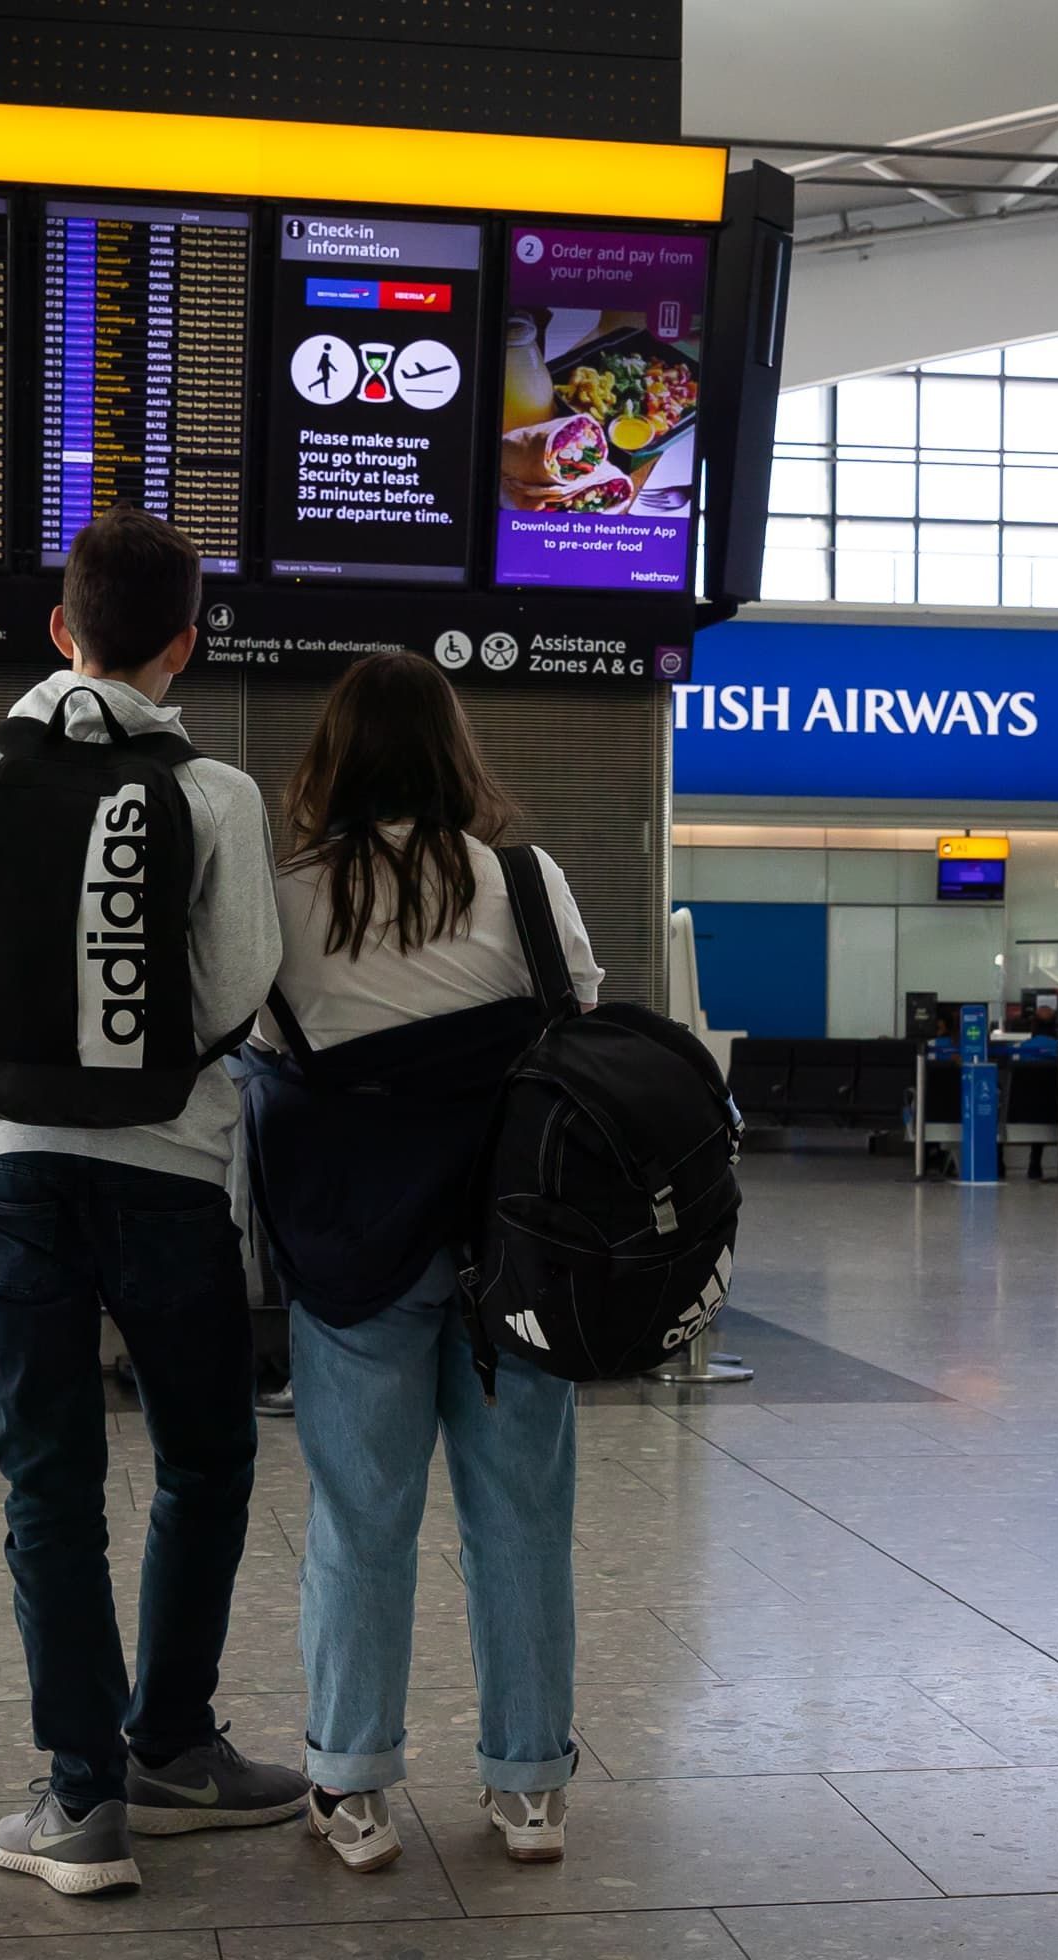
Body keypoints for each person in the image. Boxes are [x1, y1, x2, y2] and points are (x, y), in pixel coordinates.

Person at [0, 508, 300, 1897]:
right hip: (169, 1171)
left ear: (60, 629)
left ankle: (82, 1804)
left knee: (50, 1483)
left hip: (6, 1165)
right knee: (205, 1458)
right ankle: (173, 1747)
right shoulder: (217, 794)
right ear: (186, 644)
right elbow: (239, 991)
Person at [235, 651, 602, 1875]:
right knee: (523, 1518)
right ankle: (531, 1787)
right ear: (456, 754)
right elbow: (577, 1024)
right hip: (513, 1255)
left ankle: (351, 1785)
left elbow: (249, 1042)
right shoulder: (526, 882)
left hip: (355, 1253)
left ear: (330, 761)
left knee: (361, 1519)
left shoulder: (287, 900)